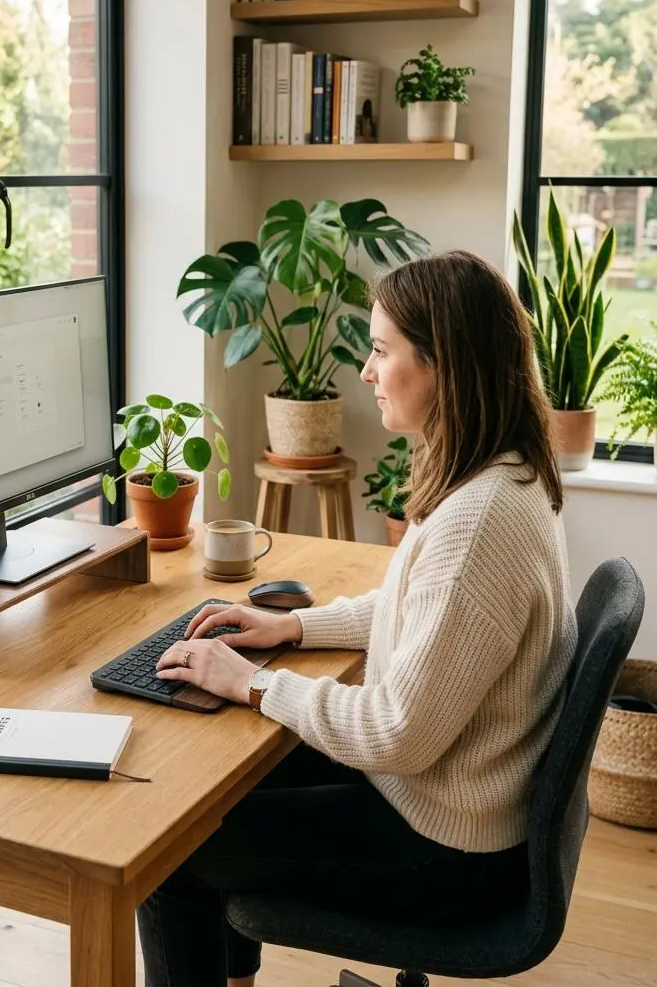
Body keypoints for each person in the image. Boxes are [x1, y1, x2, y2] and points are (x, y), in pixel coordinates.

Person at [137, 250, 579, 987]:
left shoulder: (479, 520)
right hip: (451, 798)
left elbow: (395, 731)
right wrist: (292, 629)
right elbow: (425, 613)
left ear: (444, 365)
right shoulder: (501, 473)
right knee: (222, 788)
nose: (367, 372)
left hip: (447, 849)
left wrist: (253, 685)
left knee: (173, 850)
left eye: (381, 351)